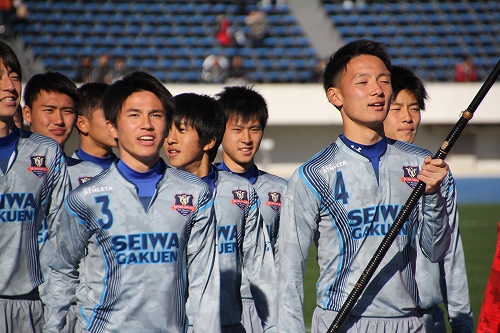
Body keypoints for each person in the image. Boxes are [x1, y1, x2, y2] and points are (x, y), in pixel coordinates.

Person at [277, 39, 451, 333]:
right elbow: (289, 270)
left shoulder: (422, 163)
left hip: (412, 322)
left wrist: (433, 197)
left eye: (384, 80)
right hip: (344, 322)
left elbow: (434, 252)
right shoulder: (313, 174)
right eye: (363, 81)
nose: (378, 89)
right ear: (335, 96)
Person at [42, 71, 220, 333]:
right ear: (113, 126)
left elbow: (204, 282)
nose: (146, 124)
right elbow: (60, 271)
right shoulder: (84, 198)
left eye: (156, 115)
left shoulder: (196, 193)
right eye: (134, 115)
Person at [164, 92, 277, 332]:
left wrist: (275, 325)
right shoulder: (156, 194)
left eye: (180, 131)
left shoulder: (241, 191)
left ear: (208, 141)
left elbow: (261, 268)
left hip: (228, 323)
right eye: (167, 131)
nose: (169, 139)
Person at [384, 65, 473, 333]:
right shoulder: (350, 171)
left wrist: (461, 322)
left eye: (414, 108)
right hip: (371, 317)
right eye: (396, 108)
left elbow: (451, 253)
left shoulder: (435, 170)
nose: (408, 118)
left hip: (427, 318)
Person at [0, 41, 69, 333]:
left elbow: (63, 237)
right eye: (0, 77)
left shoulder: (46, 151)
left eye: (14, 76)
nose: (10, 86)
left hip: (32, 305)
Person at [215, 86, 288, 333]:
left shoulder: (282, 190)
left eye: (254, 129)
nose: (246, 138)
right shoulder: (201, 187)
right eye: (237, 130)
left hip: (265, 305)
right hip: (215, 304)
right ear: (219, 132)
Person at [73, 82, 117, 169]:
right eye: (108, 116)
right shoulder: (64, 174)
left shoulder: (133, 172)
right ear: (82, 123)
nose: (118, 123)